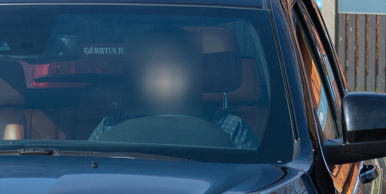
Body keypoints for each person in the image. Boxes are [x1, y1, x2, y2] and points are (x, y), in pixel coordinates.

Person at [89, 27, 259, 149]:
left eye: (175, 64)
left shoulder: (231, 128)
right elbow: (86, 171)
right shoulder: (111, 125)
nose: (165, 73)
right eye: (155, 65)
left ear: (194, 72)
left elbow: (251, 181)